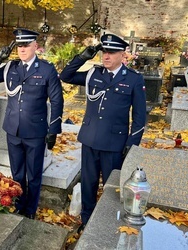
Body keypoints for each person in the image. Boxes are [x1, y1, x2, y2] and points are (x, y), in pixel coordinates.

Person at [59, 34, 146, 230]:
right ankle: (87, 221)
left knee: (111, 187)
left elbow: (140, 116)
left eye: (111, 52)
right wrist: (83, 57)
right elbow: (65, 76)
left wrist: (132, 144)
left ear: (123, 55)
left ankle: (108, 222)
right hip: (90, 139)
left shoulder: (133, 79)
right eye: (104, 52)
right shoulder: (93, 74)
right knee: (88, 184)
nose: (105, 56)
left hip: (115, 143)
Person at [0, 28, 64, 219]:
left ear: (36, 46)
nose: (22, 49)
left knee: (33, 175)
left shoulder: (46, 69)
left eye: (26, 45)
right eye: (19, 45)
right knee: (17, 173)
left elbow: (57, 100)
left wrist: (54, 129)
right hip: (13, 129)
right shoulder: (11, 67)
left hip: (35, 131)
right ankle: (18, 205)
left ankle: (30, 210)